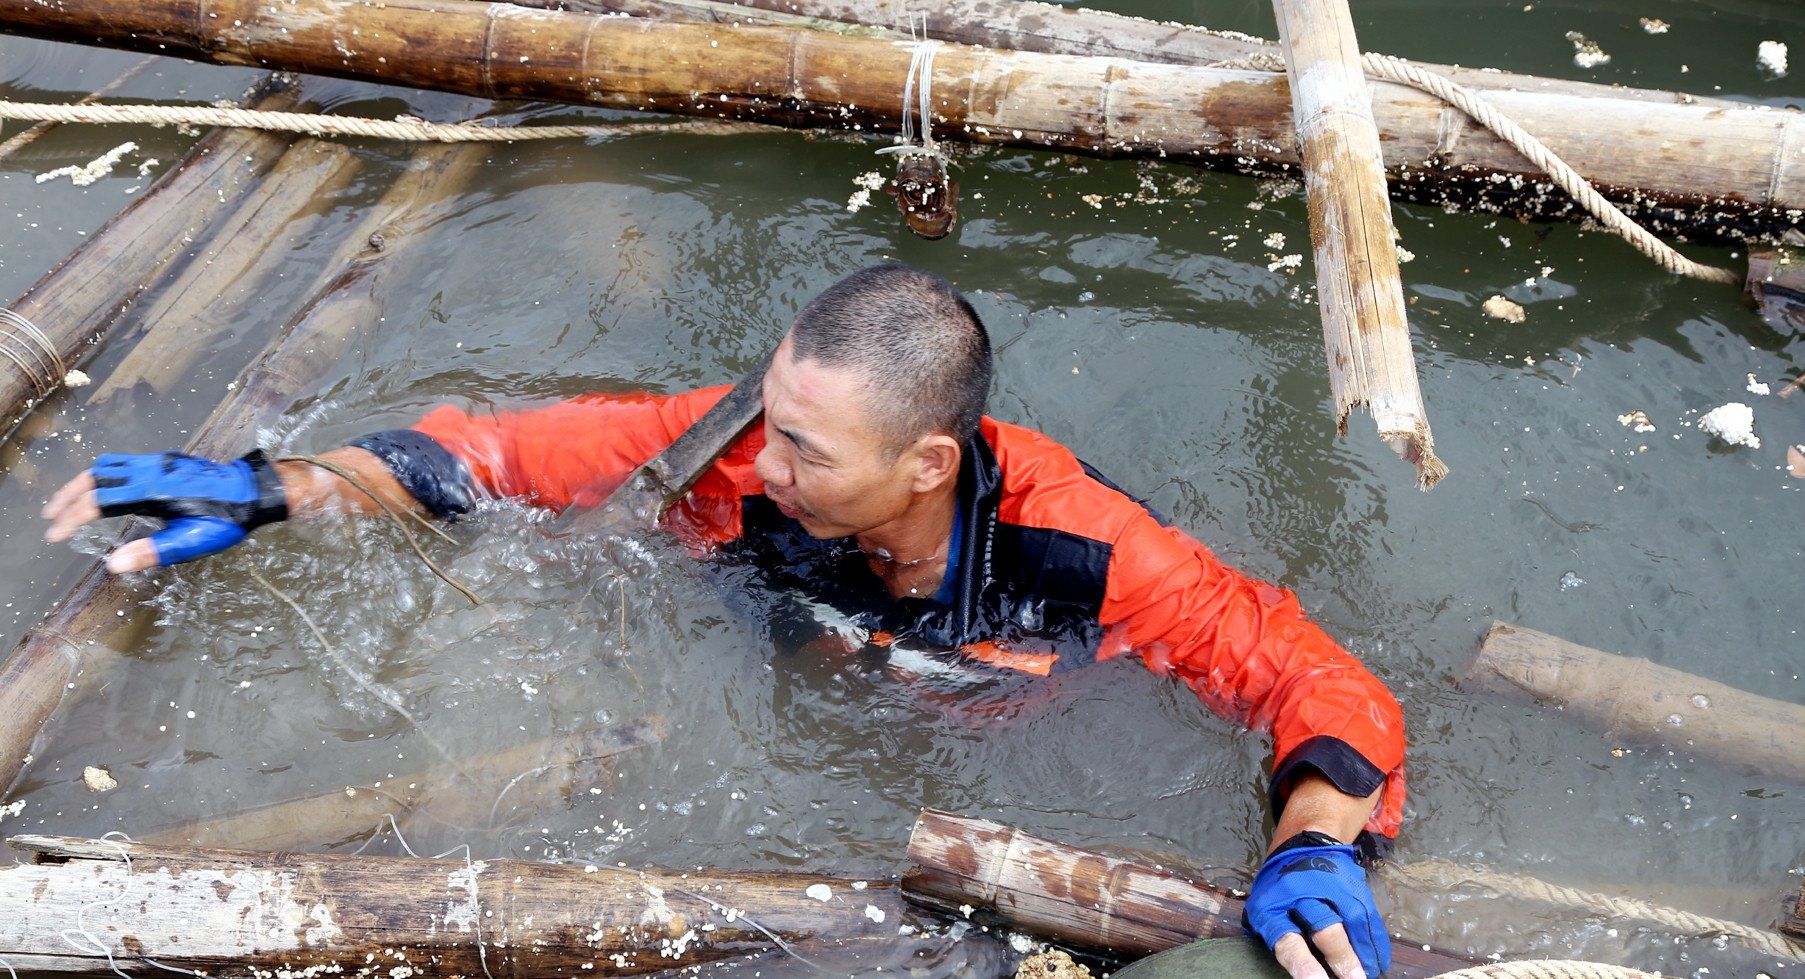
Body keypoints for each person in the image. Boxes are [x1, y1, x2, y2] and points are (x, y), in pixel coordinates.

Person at [42, 263, 1406, 979]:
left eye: (809, 453)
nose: (760, 468)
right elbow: (496, 460)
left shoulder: (1087, 554)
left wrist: (1317, 856)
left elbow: (1320, 686)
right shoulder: (727, 457)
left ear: (928, 463)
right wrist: (282, 488)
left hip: (1026, 707)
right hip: (801, 657)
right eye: (770, 420)